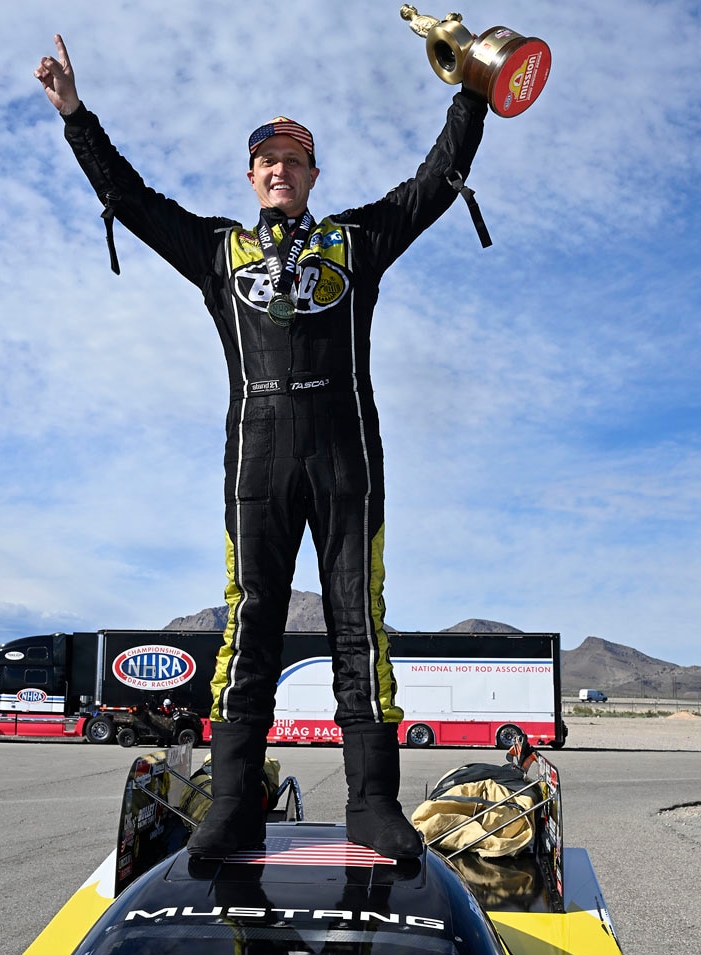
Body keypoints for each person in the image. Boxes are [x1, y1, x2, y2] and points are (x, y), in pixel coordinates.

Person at [35, 34, 487, 860]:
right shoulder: (217, 251)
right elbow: (131, 200)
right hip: (257, 461)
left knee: (361, 627)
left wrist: (476, 93)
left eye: (294, 159)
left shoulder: (357, 241)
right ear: (251, 176)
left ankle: (371, 803)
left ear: (313, 175)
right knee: (250, 627)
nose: (280, 170)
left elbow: (431, 185)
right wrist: (75, 114)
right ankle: (235, 804)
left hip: (348, 459)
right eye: (267, 160)